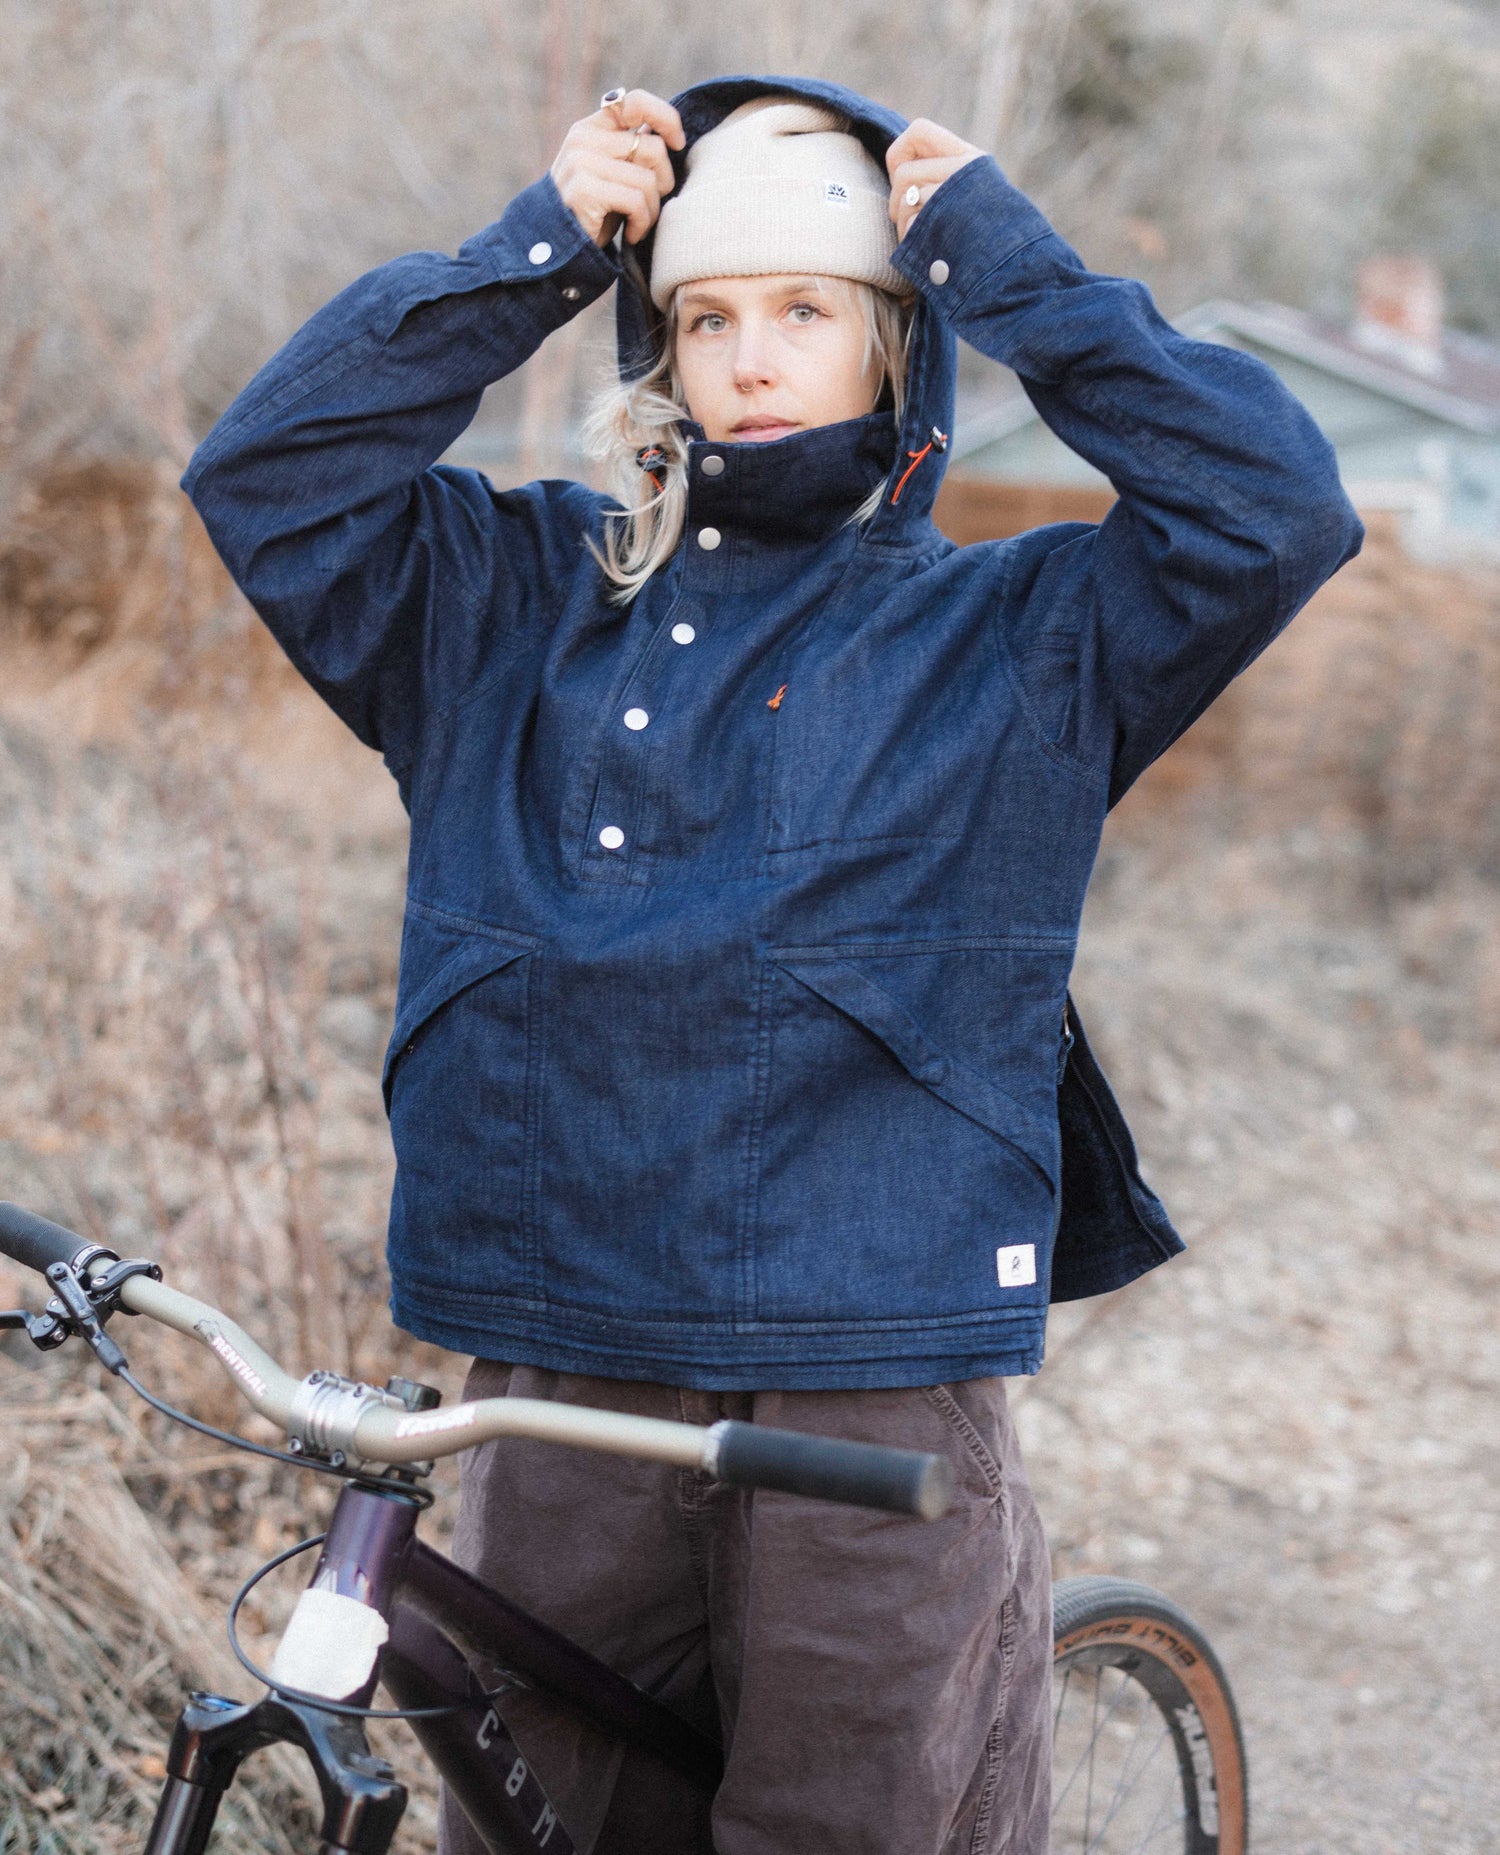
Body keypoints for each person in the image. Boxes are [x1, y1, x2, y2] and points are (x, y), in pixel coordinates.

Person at [182, 73, 1362, 1855]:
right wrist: (532, 256)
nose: (748, 357)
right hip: (560, 1358)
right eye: (706, 315)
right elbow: (265, 480)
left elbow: (1273, 508)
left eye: (807, 310)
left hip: (863, 1368)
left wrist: (1011, 271)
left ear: (896, 346)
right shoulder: (505, 598)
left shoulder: (1020, 632)